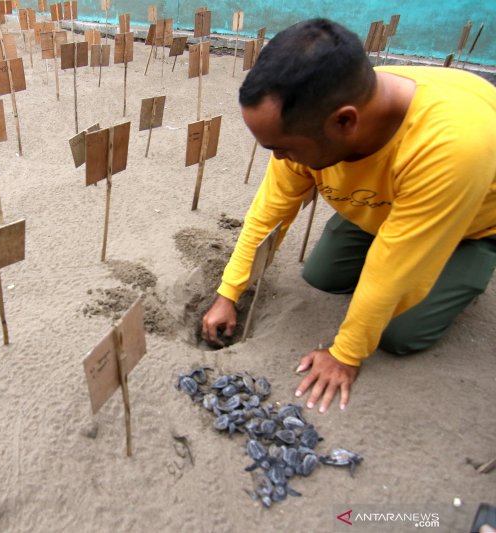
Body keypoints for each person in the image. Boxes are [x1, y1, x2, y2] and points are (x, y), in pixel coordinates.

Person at [201, 18, 496, 413]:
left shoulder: (451, 147)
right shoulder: (313, 112)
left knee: (398, 333)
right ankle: (382, 222)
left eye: (283, 148)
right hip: (381, 204)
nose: (278, 158)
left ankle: (472, 266)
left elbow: (395, 267)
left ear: (344, 121)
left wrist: (344, 355)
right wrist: (228, 293)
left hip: (468, 226)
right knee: (322, 276)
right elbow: (269, 214)